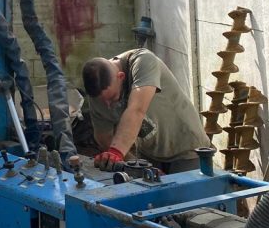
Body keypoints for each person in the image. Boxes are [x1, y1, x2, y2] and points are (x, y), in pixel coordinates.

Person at [82, 48, 210, 173]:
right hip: (149, 154)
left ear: (121, 76)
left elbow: (136, 110)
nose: (108, 106)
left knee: (186, 187)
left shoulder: (143, 62)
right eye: (103, 101)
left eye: (112, 98)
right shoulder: (98, 90)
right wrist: (136, 164)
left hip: (186, 149)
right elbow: (104, 137)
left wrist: (116, 152)